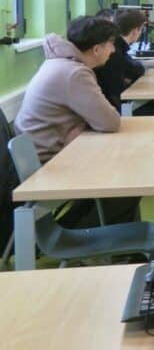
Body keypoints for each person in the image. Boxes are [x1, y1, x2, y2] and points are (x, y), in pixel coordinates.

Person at [14, 16, 136, 228]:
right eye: (110, 45)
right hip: (48, 163)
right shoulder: (74, 73)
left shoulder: (60, 63)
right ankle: (83, 237)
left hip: (45, 153)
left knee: (122, 170)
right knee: (128, 181)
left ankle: (113, 241)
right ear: (96, 49)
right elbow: (110, 122)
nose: (114, 51)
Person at [95, 9, 147, 109]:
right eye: (141, 29)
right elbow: (135, 71)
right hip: (109, 111)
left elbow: (133, 68)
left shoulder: (116, 46)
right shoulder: (114, 51)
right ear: (135, 31)